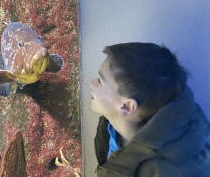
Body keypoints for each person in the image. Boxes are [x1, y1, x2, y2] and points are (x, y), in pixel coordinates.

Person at [90, 42, 210, 177]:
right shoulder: (109, 130)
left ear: (127, 107)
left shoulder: (165, 171)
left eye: (100, 81)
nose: (91, 83)